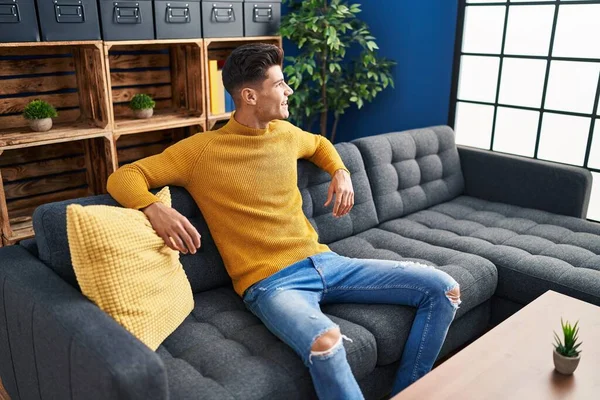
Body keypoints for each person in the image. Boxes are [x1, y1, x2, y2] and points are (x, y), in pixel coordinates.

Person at [107, 43, 461, 399]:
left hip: (327, 263)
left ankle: (409, 390)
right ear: (249, 95)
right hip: (272, 284)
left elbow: (320, 143)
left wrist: (341, 170)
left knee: (444, 289)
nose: (289, 90)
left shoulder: (287, 134)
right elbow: (125, 175)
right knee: (326, 341)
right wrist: (154, 207)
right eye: (280, 84)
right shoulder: (199, 151)